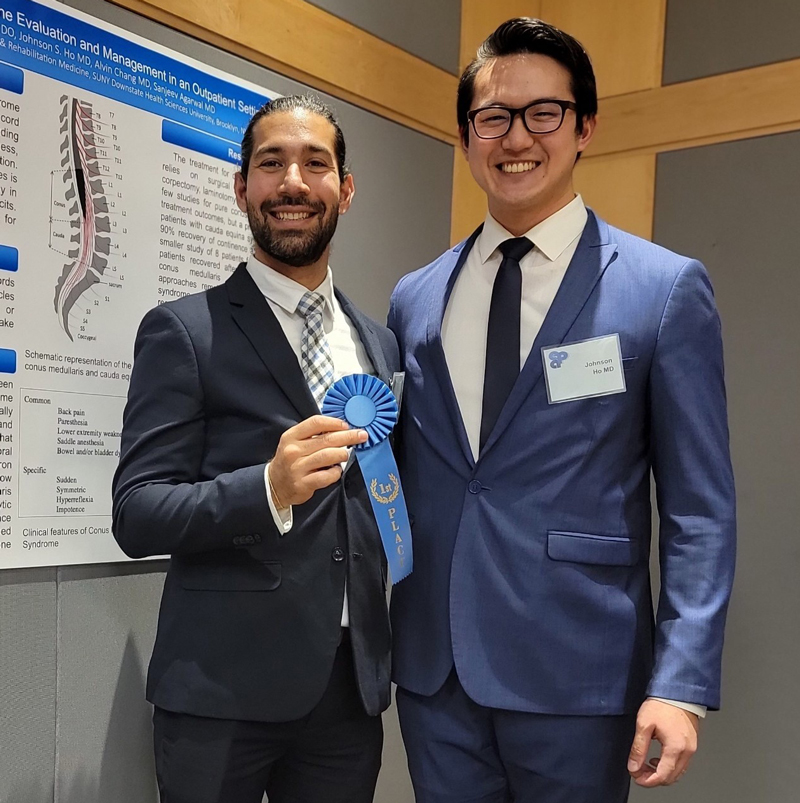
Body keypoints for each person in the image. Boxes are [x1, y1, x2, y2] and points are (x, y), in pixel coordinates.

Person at [388, 18, 736, 803]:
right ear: (467, 136)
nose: (517, 136)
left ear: (584, 127)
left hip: (581, 673)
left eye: (544, 112)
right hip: (436, 672)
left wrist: (680, 681)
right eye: (493, 117)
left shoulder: (663, 288)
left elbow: (700, 510)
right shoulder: (415, 296)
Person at [112, 94, 399, 803]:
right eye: (271, 164)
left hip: (347, 693)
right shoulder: (184, 332)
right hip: (220, 692)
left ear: (346, 190)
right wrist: (266, 487)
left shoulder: (378, 341)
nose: (293, 182)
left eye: (315, 164)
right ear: (242, 188)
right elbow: (137, 511)